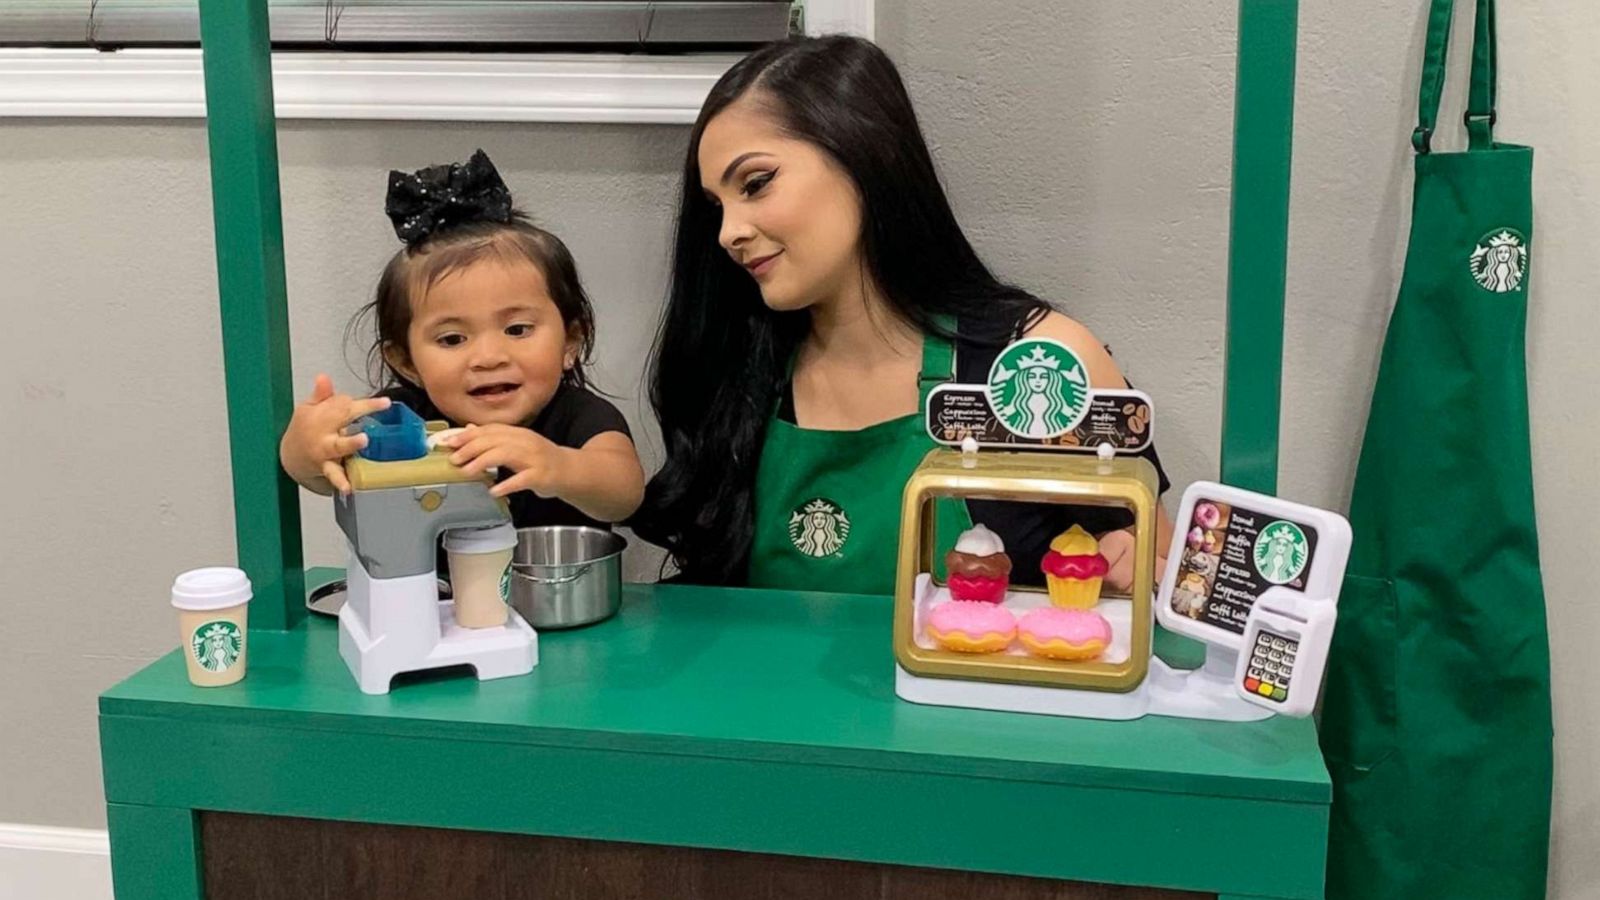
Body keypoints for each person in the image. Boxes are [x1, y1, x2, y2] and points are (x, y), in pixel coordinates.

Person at [631, 36, 1172, 594]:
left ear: (864, 152)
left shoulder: (1040, 363)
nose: (728, 233)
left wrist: (1131, 572)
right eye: (716, 207)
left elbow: (1148, 567)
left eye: (757, 183)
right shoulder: (743, 372)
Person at [279, 150, 644, 534]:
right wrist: (306, 448)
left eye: (517, 330)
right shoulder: (401, 420)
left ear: (571, 340)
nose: (488, 357)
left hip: (557, 592)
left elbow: (624, 492)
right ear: (406, 361)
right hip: (428, 593)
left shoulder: (579, 416)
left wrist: (558, 465)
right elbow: (319, 475)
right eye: (452, 339)